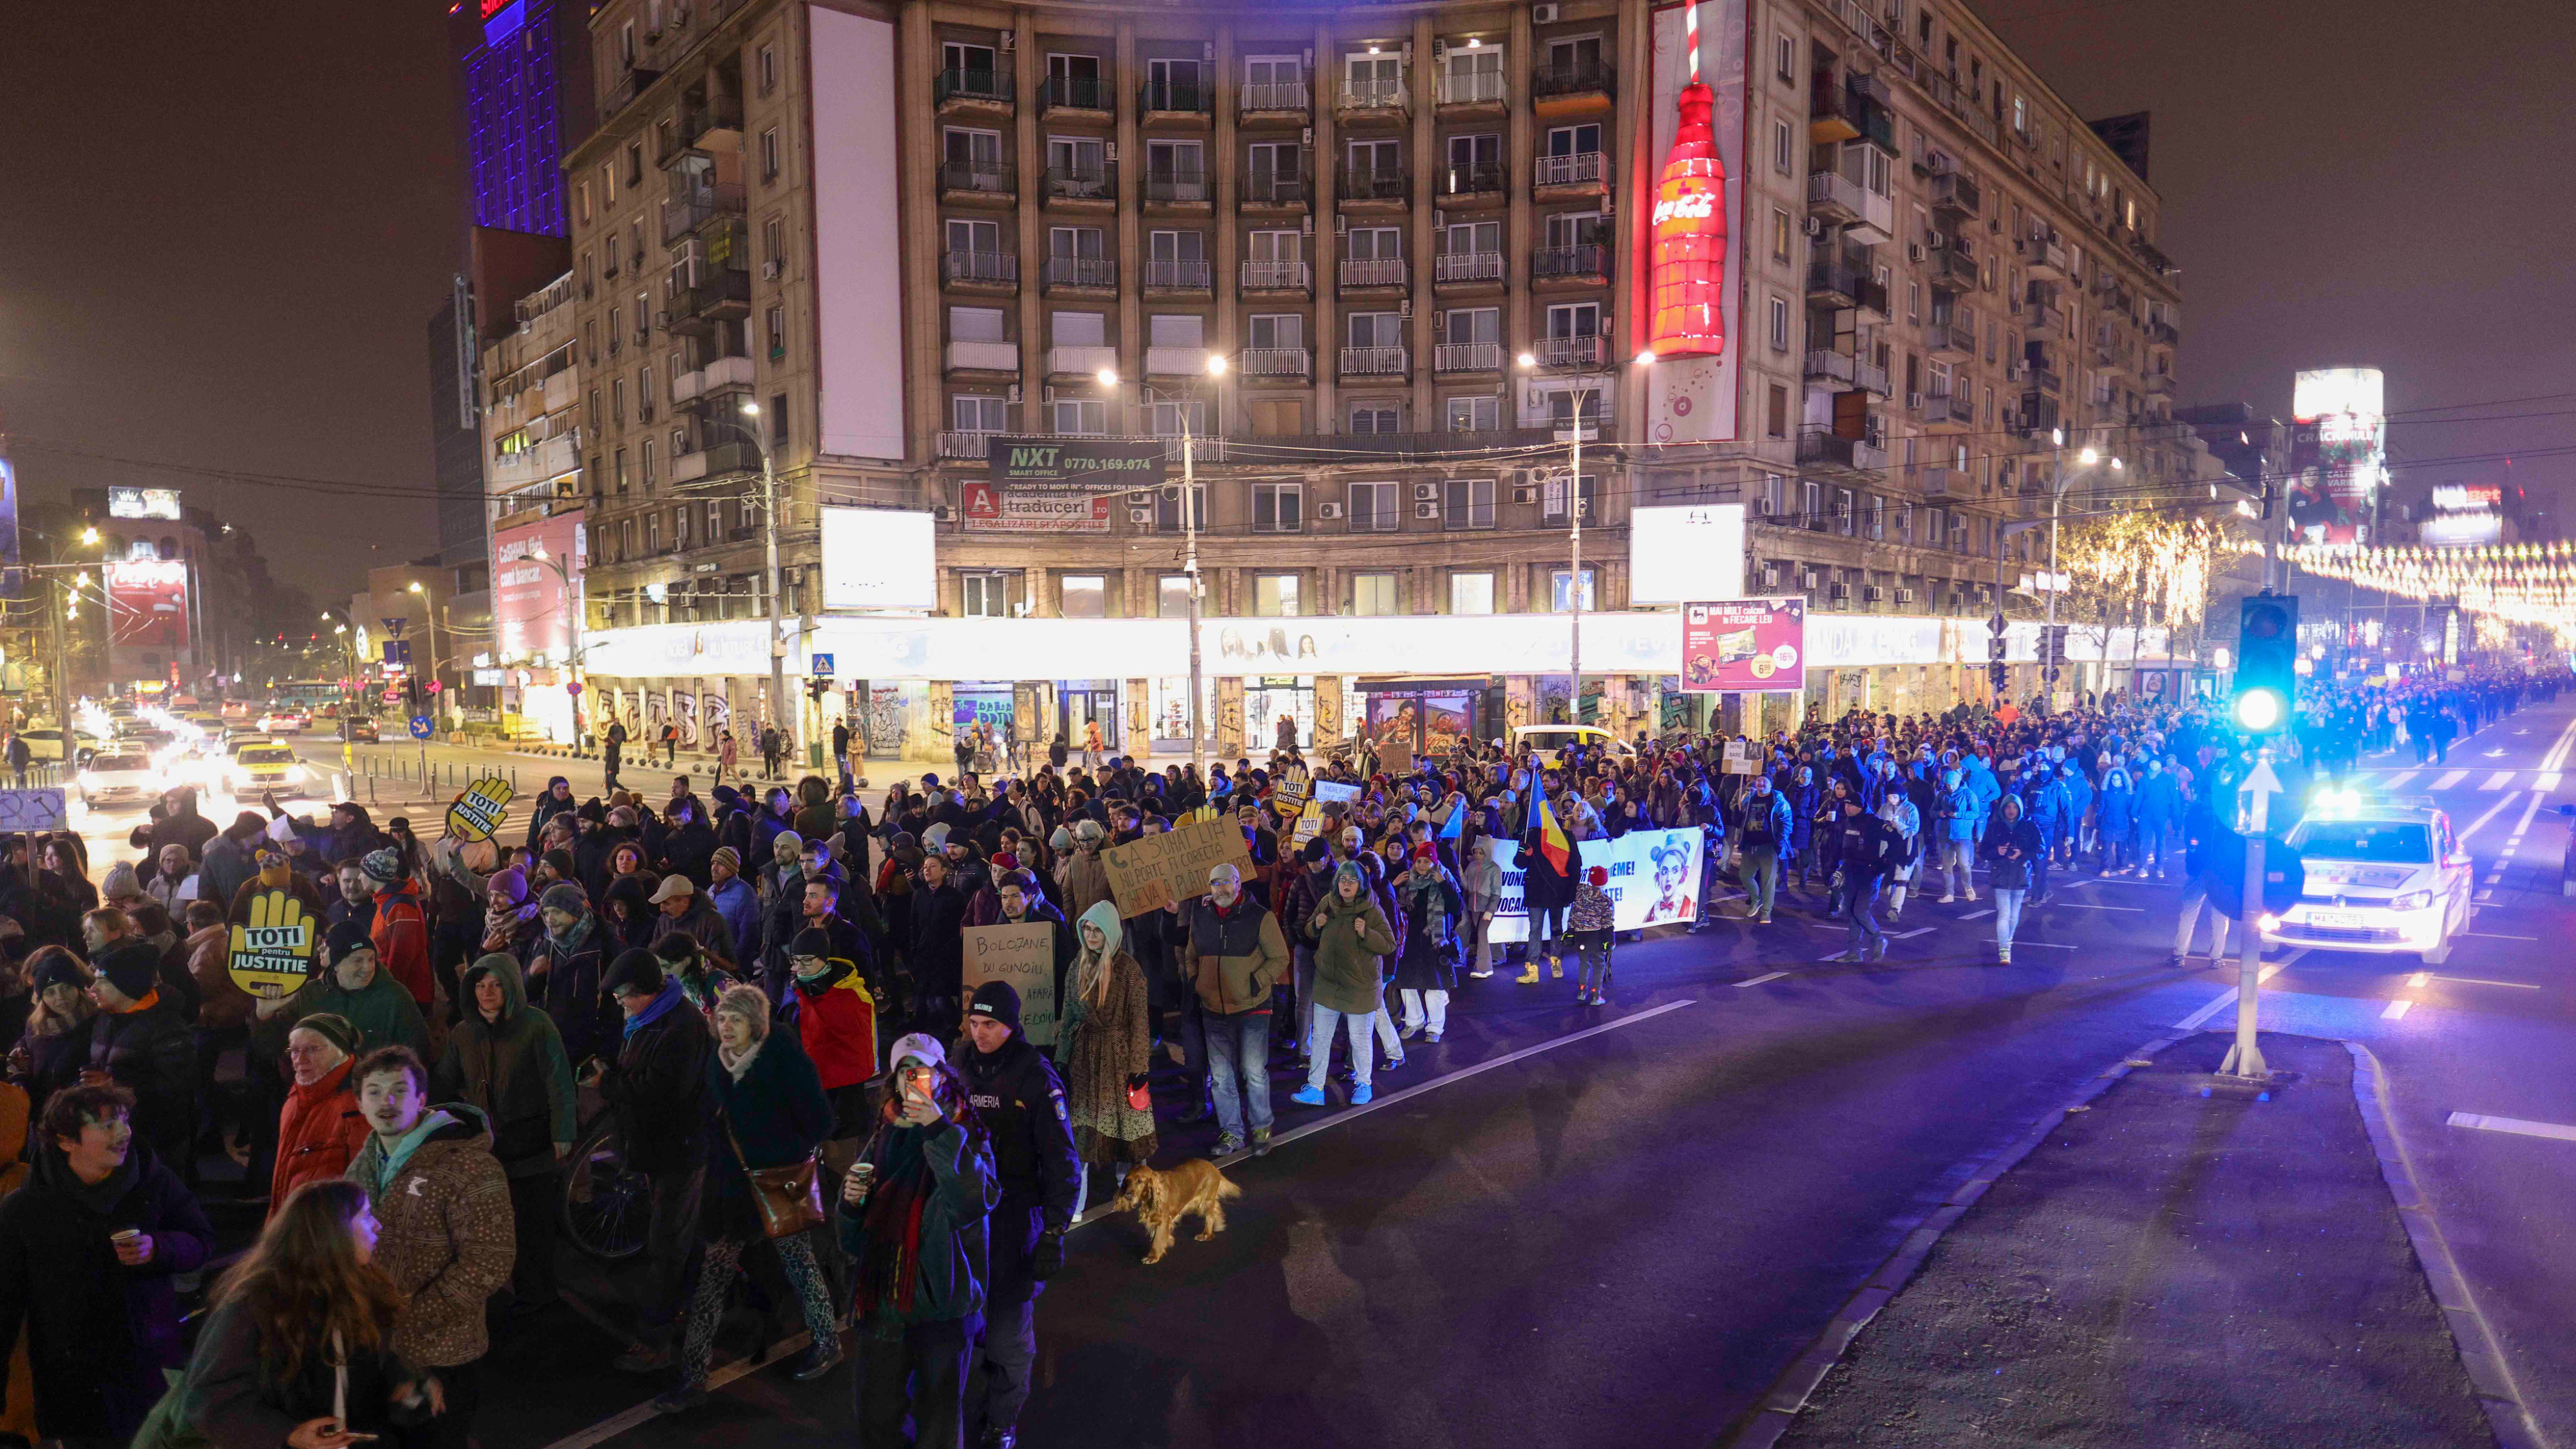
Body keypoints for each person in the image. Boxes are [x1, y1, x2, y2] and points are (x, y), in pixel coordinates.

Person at [656, 985, 840, 1414]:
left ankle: (828, 1342)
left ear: (755, 1024)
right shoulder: (717, 1063)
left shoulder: (784, 1061)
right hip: (731, 1191)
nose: (726, 1028)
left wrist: (772, 1151)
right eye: (722, 1020)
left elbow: (820, 1122)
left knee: (800, 1264)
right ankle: (693, 1376)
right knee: (713, 1278)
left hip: (777, 1181)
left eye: (735, 1020)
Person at [0, 1083, 216, 1447]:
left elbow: (201, 1241)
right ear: (66, 1141)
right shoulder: (25, 1208)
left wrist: (158, 1248)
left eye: (125, 1121)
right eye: (106, 1126)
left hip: (146, 1362)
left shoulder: (154, 1182)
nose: (124, 1134)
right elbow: (4, 1301)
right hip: (70, 1378)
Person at [345, 1045, 516, 1449]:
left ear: (422, 1099)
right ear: (359, 1102)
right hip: (378, 1348)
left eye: (399, 1090)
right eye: (374, 1091)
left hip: (443, 1353)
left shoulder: (469, 1165)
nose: (386, 1102)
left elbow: (488, 1262)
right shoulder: (366, 1159)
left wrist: (405, 1317)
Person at [177, 1179, 428, 1449]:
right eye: (366, 1216)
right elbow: (211, 1397)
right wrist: (289, 1434)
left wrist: (404, 1385)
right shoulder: (256, 1304)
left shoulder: (362, 1287)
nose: (378, 1225)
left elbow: (371, 1362)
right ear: (332, 1233)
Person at [842, 1034, 996, 1449]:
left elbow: (971, 1202)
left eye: (923, 1069)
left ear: (943, 1074)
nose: (915, 1079)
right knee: (876, 1417)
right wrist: (851, 1206)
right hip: (886, 1298)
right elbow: (853, 1242)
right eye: (905, 1071)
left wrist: (938, 1129)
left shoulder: (966, 1131)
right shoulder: (884, 1134)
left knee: (939, 1423)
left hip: (943, 1304)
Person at [952, 982, 1077, 1449]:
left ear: (1011, 1026)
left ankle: (1003, 1420)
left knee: (1007, 1339)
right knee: (962, 1331)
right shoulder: (959, 1064)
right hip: (964, 1221)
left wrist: (1054, 1231)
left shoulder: (1037, 1080)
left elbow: (1063, 1161)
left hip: (1013, 1219)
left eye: (990, 1025)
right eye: (974, 1023)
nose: (979, 1033)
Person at [431, 955, 577, 1316]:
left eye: (496, 984)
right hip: (488, 1149)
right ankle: (509, 1292)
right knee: (494, 1225)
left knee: (533, 1225)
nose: (487, 992)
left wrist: (563, 1131)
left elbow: (559, 1081)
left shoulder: (536, 1025)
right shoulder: (464, 1032)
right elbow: (445, 1083)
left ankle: (541, 1297)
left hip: (532, 1143)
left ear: (512, 986)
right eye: (480, 985)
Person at [589, 951, 709, 1374]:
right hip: (657, 1150)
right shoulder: (649, 1019)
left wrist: (610, 1084)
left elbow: (660, 1092)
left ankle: (656, 1339)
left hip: (679, 1152)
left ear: (647, 991)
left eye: (625, 997)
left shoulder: (682, 1027)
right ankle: (687, 1305)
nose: (622, 1004)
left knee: (665, 1244)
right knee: (679, 1238)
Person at [1174, 862, 1287, 1157]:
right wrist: (1198, 983)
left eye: (1227, 882)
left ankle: (1261, 1128)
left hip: (1253, 1007)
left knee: (1253, 1072)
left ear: (1238, 884)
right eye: (1215, 883)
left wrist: (1255, 983)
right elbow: (1190, 956)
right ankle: (1232, 1132)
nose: (1221, 889)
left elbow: (1279, 957)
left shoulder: (1260, 916)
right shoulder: (1201, 916)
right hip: (1213, 1008)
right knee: (1222, 1076)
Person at [1056, 900, 1155, 1218]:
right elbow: (1069, 1014)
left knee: (1127, 1127)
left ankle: (1130, 1184)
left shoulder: (1129, 970)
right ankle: (1077, 1201)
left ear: (1111, 931)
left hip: (1120, 1057)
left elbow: (1140, 1023)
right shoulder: (1077, 967)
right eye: (1086, 928)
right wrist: (1061, 1058)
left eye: (1097, 929)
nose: (1091, 935)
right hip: (1086, 1057)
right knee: (1081, 1129)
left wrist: (1139, 1069)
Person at [84, 940, 198, 1174]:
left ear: (127, 985)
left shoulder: (167, 1026)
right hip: (116, 1133)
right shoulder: (104, 1019)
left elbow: (176, 1086)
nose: (93, 988)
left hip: (157, 1139)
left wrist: (115, 1085)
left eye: (102, 980)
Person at [1291, 863, 1397, 1108]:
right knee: (1320, 1037)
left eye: (1352, 880)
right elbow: (1309, 930)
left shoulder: (1372, 909)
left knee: (1359, 1038)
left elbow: (1389, 944)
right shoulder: (1328, 902)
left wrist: (1366, 933)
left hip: (1360, 985)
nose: (1346, 884)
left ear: (1361, 884)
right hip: (1329, 982)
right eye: (1342, 879)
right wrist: (1315, 925)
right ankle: (1315, 1087)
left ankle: (1363, 1084)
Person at [271, 1014, 372, 1215]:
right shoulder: (297, 1095)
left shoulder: (358, 1107)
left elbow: (364, 1192)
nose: (300, 1059)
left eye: (313, 1049)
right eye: (295, 1050)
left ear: (341, 1052)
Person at [1980, 795, 2043, 966]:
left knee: (2014, 914)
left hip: (2020, 873)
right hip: (2000, 874)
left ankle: (2008, 940)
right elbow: (1984, 850)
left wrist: (2022, 852)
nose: (2011, 811)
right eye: (2008, 807)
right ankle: (2004, 949)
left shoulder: (2029, 826)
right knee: (2004, 913)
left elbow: (2040, 849)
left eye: (2014, 807)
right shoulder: (1995, 827)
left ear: (2020, 809)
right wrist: (1997, 851)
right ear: (2003, 809)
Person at [1735, 773, 1792, 925]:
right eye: (1759, 780)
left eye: (1764, 781)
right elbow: (1741, 818)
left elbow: (1787, 823)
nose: (1760, 783)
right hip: (1750, 845)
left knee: (1768, 882)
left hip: (1769, 847)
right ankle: (1756, 899)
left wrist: (1780, 844)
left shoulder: (1779, 802)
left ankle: (1766, 911)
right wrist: (1738, 808)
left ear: (1770, 784)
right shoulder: (1750, 798)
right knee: (1745, 876)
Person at [1564, 865, 1616, 1005]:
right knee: (1599, 964)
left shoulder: (1579, 895)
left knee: (1584, 962)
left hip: (1580, 937)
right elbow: (1607, 923)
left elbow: (1573, 916)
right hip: (1597, 937)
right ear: (1605, 881)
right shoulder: (1606, 901)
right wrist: (1610, 941)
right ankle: (1596, 995)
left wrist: (1570, 933)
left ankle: (1581, 991)